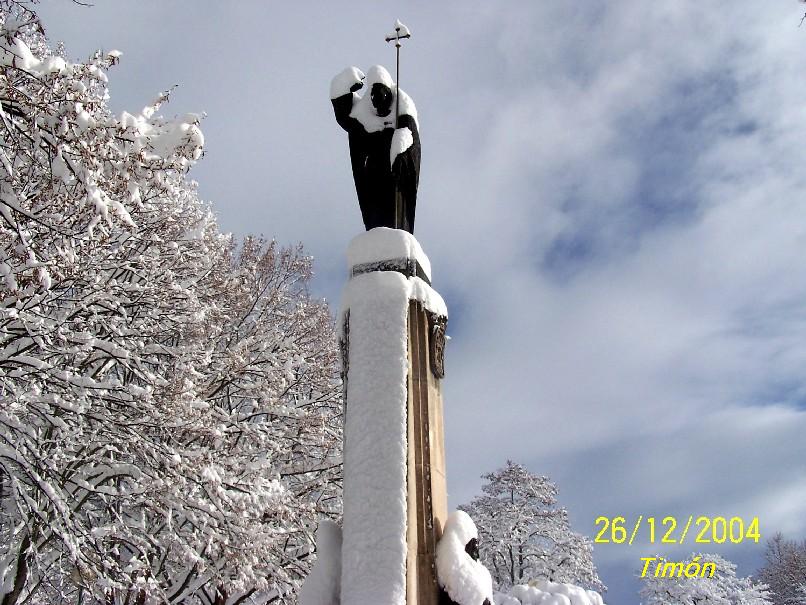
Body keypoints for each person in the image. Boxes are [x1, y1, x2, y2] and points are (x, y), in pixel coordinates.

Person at [330, 65, 420, 234]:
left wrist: (401, 149)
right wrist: (345, 84)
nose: (379, 108)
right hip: (373, 172)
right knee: (375, 214)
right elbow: (345, 116)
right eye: (374, 101)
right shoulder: (364, 115)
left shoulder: (402, 110)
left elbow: (409, 136)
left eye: (382, 100)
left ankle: (392, 239)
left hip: (394, 175)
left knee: (392, 216)